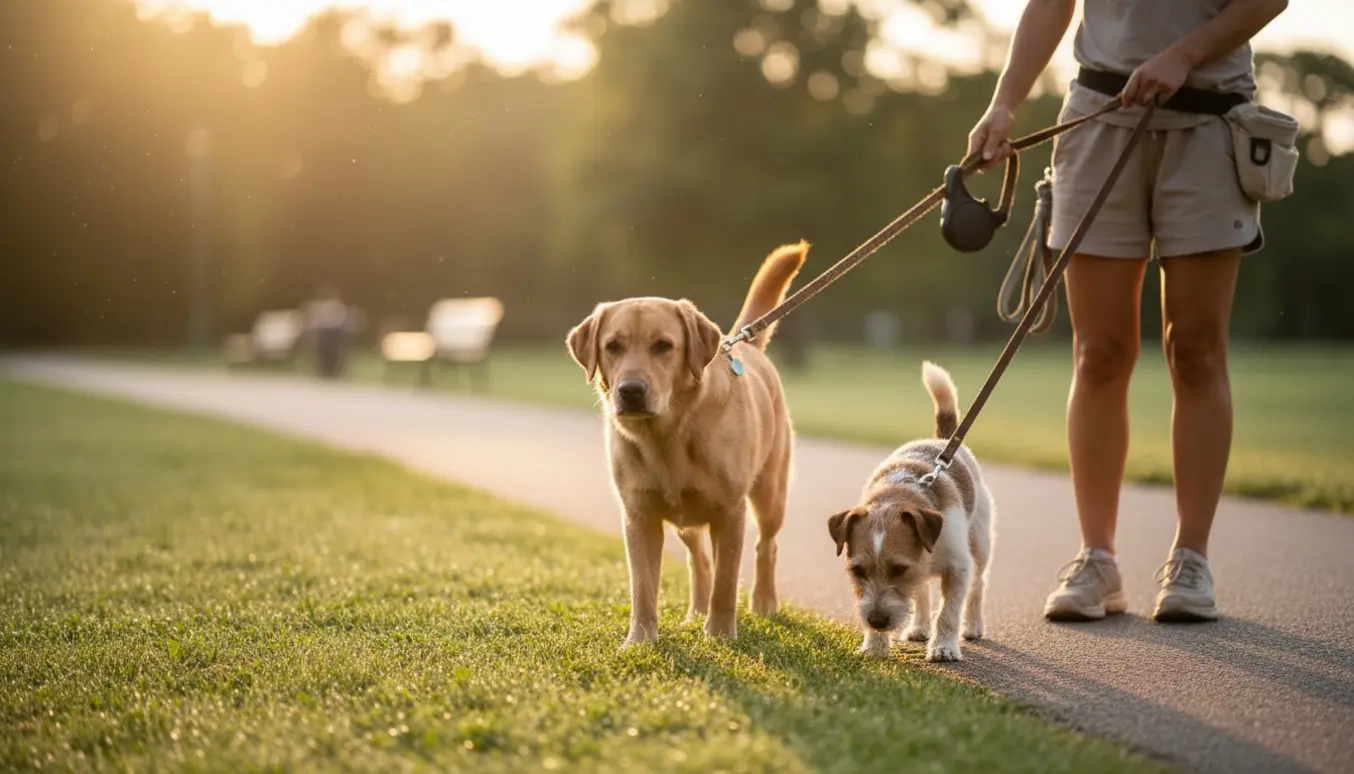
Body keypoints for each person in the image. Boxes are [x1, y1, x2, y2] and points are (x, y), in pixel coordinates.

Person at [966, 0, 1289, 623]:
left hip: (1210, 122)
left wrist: (1183, 55)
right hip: (1099, 116)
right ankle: (1097, 561)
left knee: (1194, 350)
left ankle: (1191, 558)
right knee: (1098, 354)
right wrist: (1003, 101)